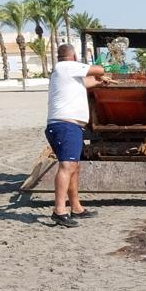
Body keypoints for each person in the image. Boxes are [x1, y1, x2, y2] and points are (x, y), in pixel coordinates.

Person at [44, 43, 111, 227]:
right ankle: (59, 210)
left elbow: (88, 81)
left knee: (74, 167)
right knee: (67, 166)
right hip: (66, 126)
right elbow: (99, 69)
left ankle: (76, 207)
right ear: (73, 57)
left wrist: (100, 82)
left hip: (65, 127)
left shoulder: (63, 72)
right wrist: (100, 70)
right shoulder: (67, 66)